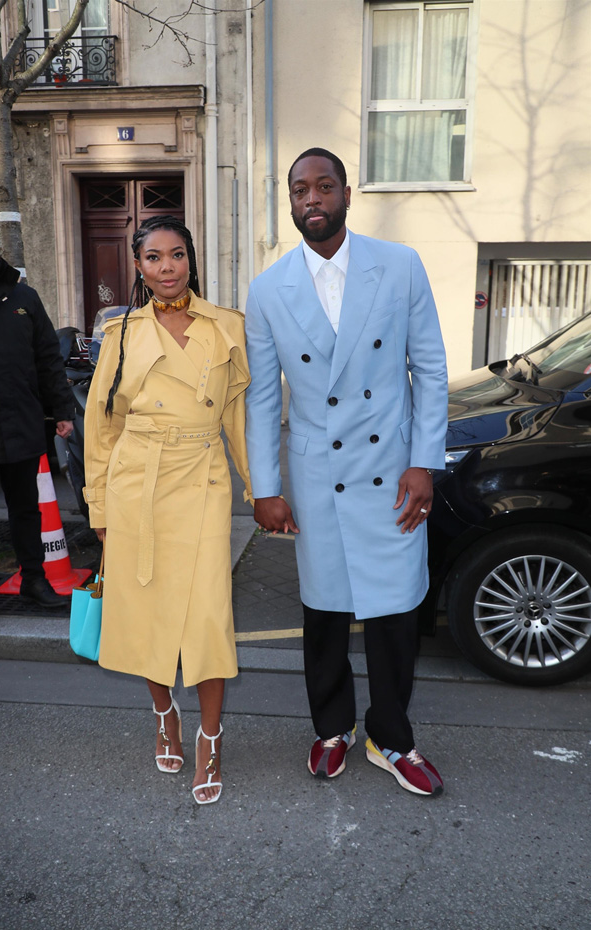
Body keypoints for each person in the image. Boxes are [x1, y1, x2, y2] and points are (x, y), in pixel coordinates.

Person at [245, 148, 448, 796]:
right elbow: (262, 397)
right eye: (300, 188)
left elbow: (431, 371)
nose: (312, 198)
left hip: (391, 470)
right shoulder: (268, 288)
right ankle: (330, 727)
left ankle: (391, 737)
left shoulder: (400, 266)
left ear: (346, 194)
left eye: (323, 186)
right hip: (316, 474)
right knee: (325, 611)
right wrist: (265, 487)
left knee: (393, 614)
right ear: (291, 201)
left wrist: (424, 462)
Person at [83, 215, 252, 805]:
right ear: (138, 266)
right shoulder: (120, 332)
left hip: (202, 477)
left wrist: (262, 492)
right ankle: (164, 716)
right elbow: (101, 426)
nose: (167, 267)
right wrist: (98, 503)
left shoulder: (225, 326)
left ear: (190, 259)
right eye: (153, 257)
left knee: (208, 615)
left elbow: (239, 418)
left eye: (177, 255)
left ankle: (211, 735)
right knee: (149, 608)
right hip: (138, 482)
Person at [0, 211, 75, 623]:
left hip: (21, 425)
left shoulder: (23, 296)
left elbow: (48, 356)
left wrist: (62, 410)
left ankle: (35, 581)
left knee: (27, 511)